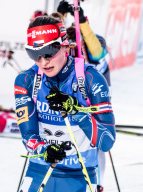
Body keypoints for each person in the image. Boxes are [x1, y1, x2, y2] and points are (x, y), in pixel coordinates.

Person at [15, 16, 115, 192]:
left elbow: (106, 142)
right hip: (39, 170)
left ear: (65, 46)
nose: (43, 62)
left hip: (80, 174)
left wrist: (75, 110)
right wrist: (43, 149)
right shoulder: (27, 80)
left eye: (48, 52)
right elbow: (28, 134)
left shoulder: (92, 80)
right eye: (34, 55)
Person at [57, 2, 111, 191]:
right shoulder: (62, 48)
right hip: (69, 97)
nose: (74, 48)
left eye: (77, 44)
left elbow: (96, 51)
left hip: (92, 99)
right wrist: (60, 15)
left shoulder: (95, 45)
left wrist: (82, 20)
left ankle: (98, 184)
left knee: (97, 142)